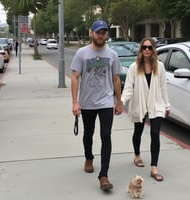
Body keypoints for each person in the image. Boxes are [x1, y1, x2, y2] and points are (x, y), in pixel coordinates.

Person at [70, 20, 123, 191]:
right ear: (91, 33)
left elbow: (116, 79)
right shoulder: (82, 53)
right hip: (87, 102)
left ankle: (104, 175)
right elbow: (75, 77)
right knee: (89, 133)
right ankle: (89, 157)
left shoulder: (112, 54)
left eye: (104, 32)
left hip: (106, 101)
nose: (101, 35)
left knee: (106, 135)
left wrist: (119, 101)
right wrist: (75, 102)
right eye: (98, 32)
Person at [121, 37, 170, 181]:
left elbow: (163, 87)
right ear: (141, 50)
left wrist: (167, 105)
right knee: (138, 131)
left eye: (150, 47)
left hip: (156, 104)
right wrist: (121, 102)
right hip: (140, 103)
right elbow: (128, 88)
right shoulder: (133, 68)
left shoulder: (160, 66)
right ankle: (137, 155)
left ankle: (154, 167)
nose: (147, 50)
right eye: (144, 47)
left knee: (155, 133)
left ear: (153, 49)